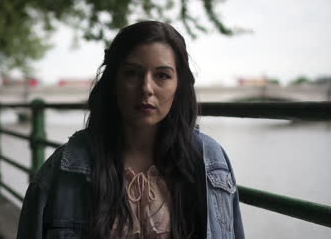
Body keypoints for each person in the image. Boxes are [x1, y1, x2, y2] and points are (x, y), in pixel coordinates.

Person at [17, 21, 244, 239]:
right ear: (113, 82)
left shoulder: (211, 161)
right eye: (132, 73)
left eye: (162, 75)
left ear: (179, 86)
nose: (146, 88)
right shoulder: (64, 170)